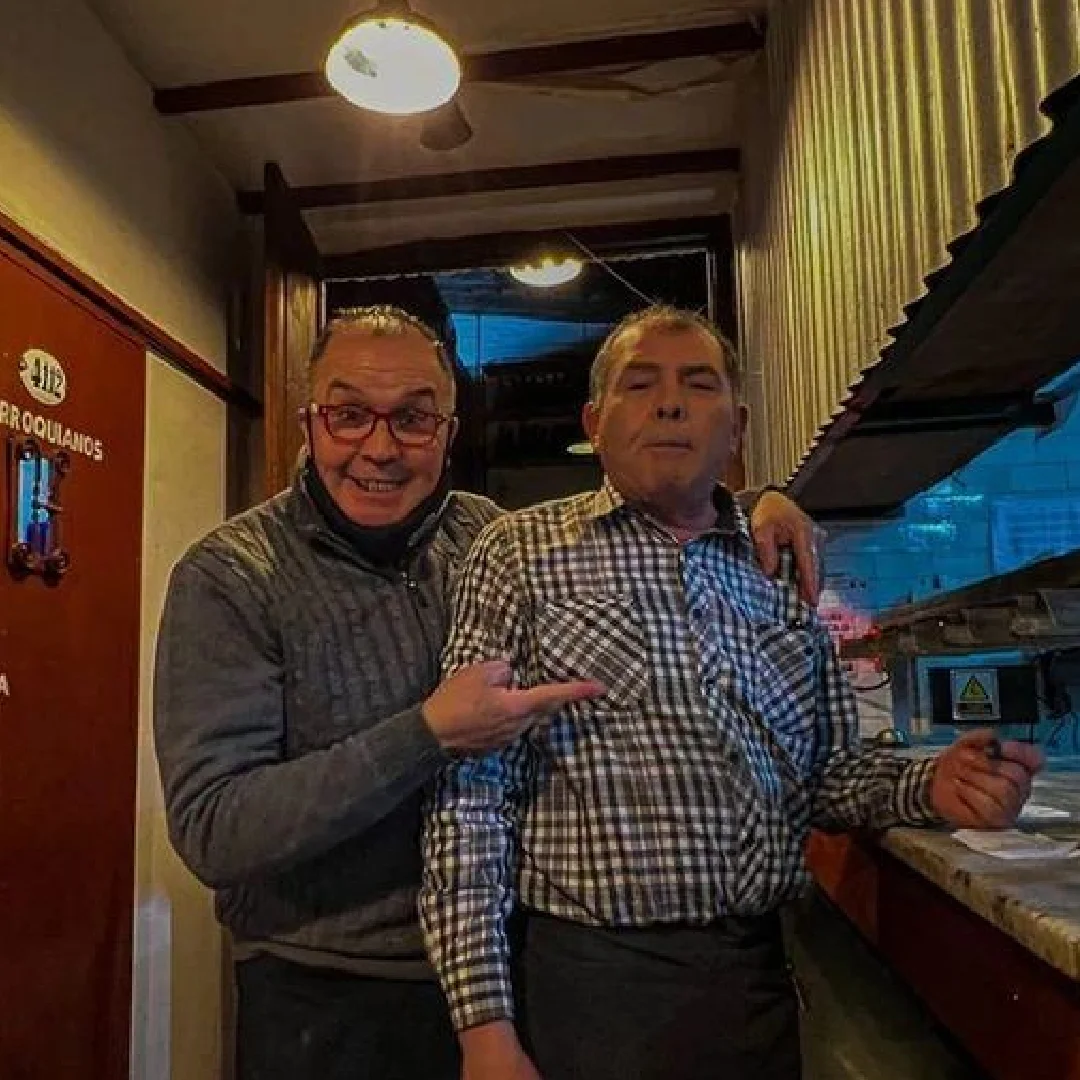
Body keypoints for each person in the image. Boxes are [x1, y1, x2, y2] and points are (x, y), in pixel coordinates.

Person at [153, 305, 819, 1080]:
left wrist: (751, 504)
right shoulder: (232, 576)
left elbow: (643, 514)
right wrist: (426, 734)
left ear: (448, 431)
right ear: (309, 423)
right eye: (349, 415)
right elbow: (215, 830)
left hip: (507, 976)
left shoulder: (484, 535)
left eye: (413, 419)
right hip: (328, 997)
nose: (380, 448)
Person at [420, 305, 1045, 1080]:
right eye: (639, 384)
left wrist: (932, 785)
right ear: (594, 422)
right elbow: (469, 797)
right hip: (588, 987)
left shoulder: (777, 567)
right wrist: (483, 1027)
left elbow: (825, 775)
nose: (670, 404)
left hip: (755, 979)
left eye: (698, 383)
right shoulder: (518, 553)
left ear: (737, 426)